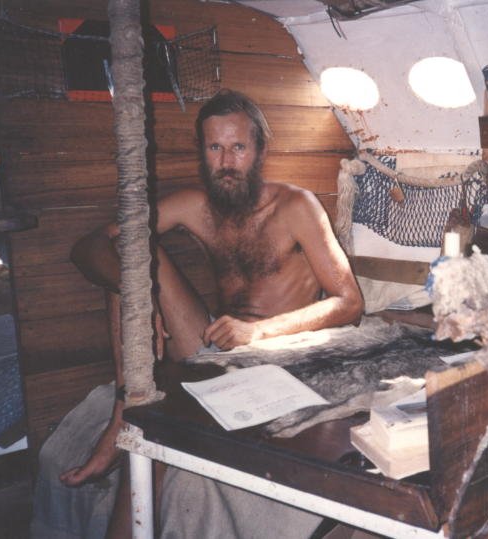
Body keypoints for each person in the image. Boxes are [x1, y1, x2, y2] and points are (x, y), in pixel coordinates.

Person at [37, 88, 364, 537]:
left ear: (259, 150)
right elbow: (89, 246)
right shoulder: (197, 205)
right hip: (215, 347)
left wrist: (259, 332)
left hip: (282, 355)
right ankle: (121, 414)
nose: (226, 162)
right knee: (131, 251)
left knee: (156, 439)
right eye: (215, 148)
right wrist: (138, 295)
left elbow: (350, 302)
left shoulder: (296, 206)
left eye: (238, 147)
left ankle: (129, 431)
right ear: (202, 152)